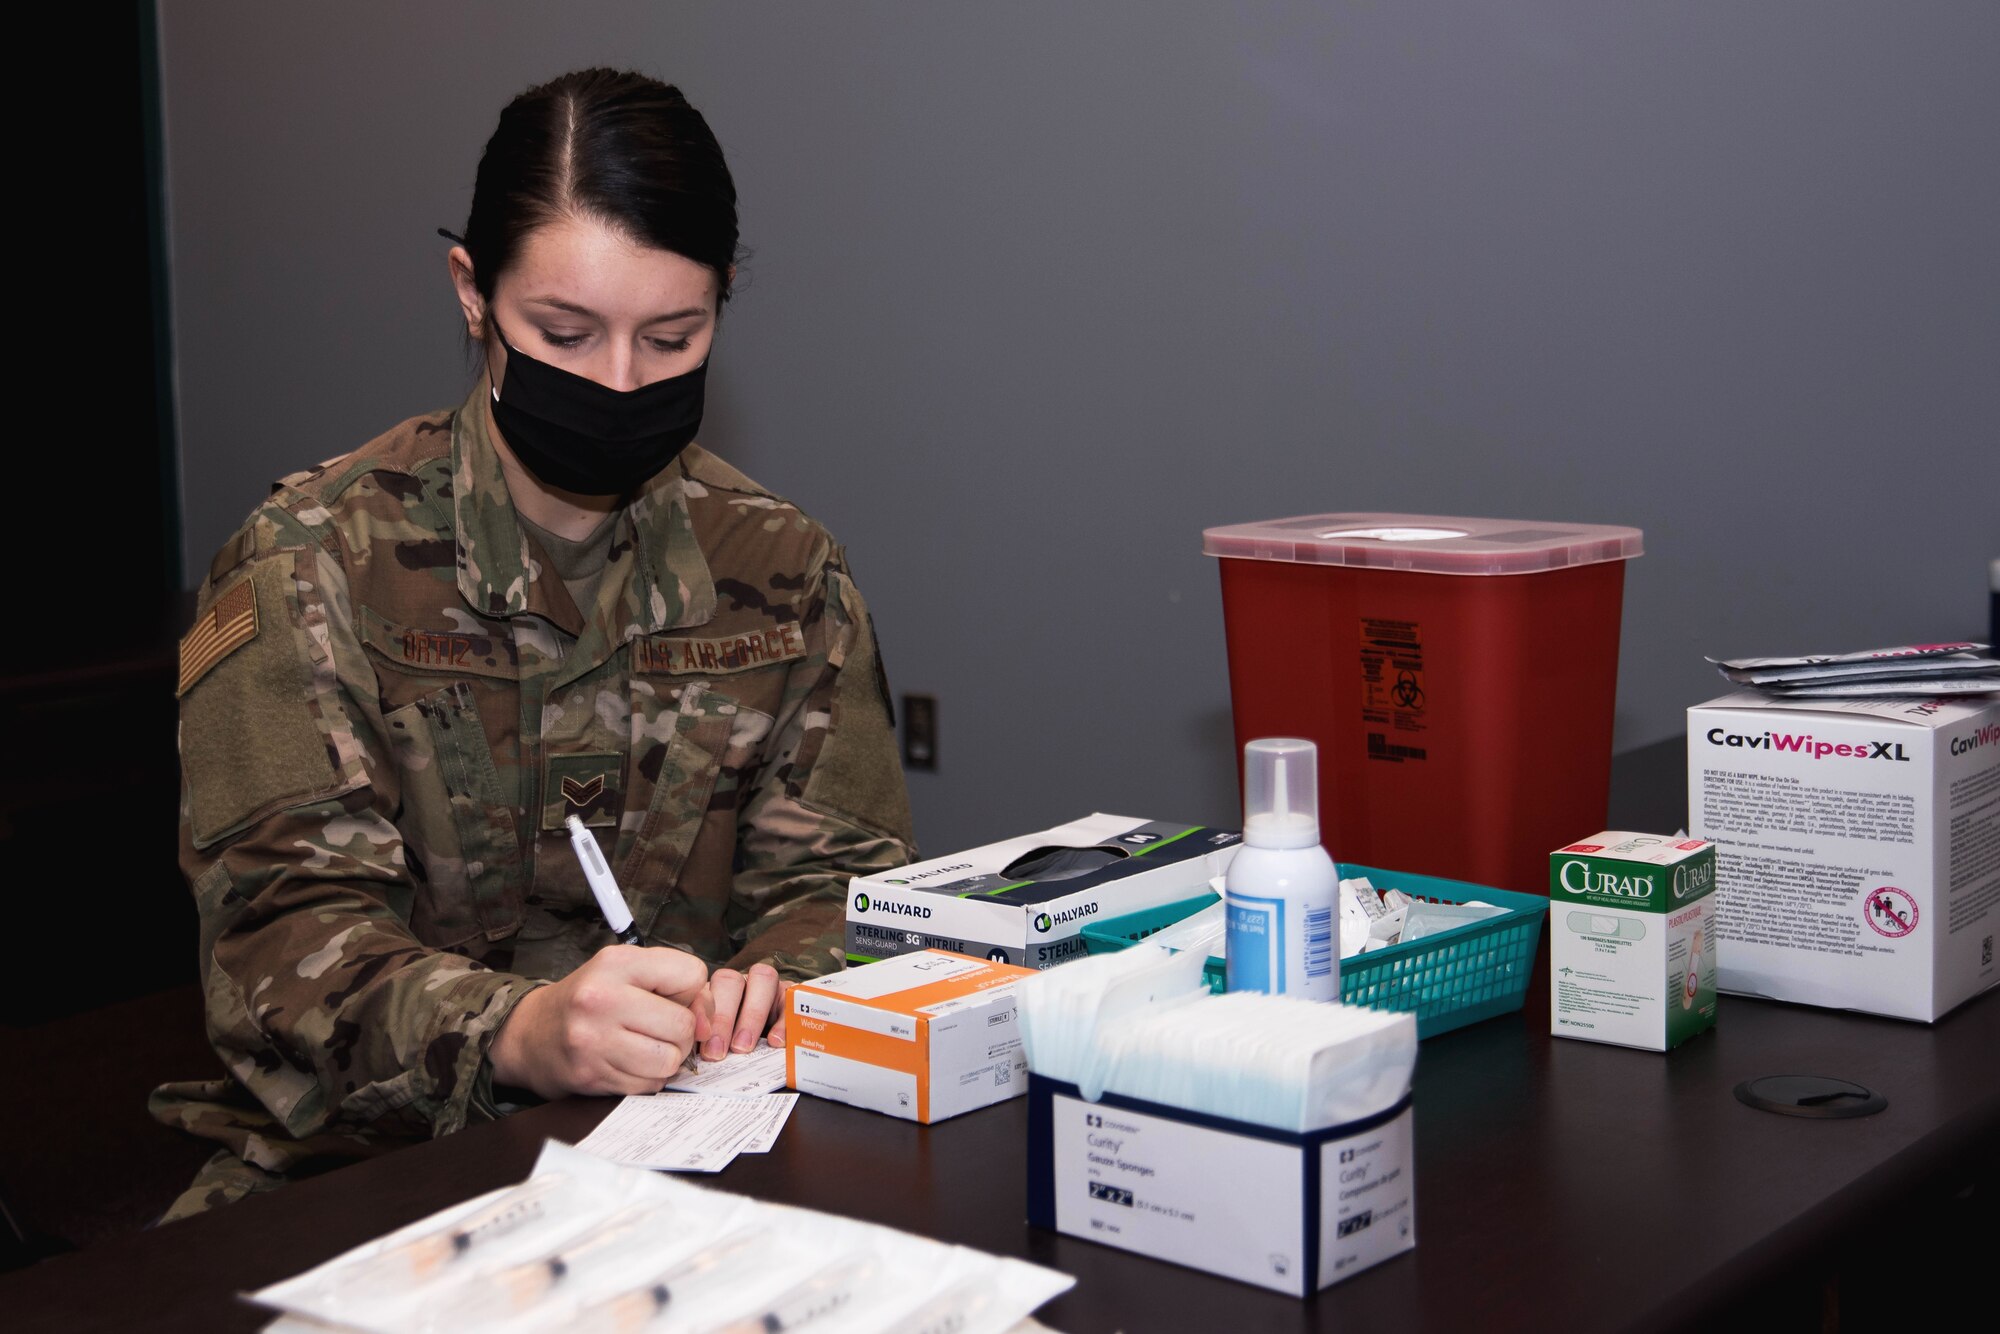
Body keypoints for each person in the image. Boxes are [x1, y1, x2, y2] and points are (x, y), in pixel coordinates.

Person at [151, 68, 915, 1221]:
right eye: (565, 330)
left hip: (703, 1146)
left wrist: (776, 989)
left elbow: (846, 893)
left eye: (672, 336)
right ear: (472, 292)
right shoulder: (309, 561)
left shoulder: (784, 570)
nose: (618, 382)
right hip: (369, 1170)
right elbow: (281, 946)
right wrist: (519, 1030)